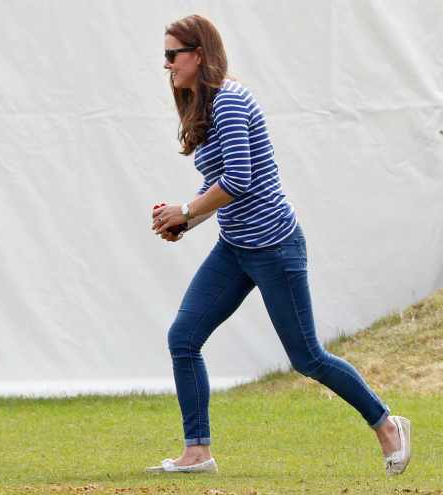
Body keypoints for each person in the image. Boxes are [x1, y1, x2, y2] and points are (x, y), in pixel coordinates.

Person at [146, 14, 410, 476]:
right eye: (164, 55)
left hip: (274, 246)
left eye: (172, 54)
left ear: (198, 54)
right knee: (183, 338)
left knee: (306, 356)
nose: (166, 64)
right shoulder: (204, 105)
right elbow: (220, 187)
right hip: (235, 246)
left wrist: (185, 211)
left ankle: (387, 424)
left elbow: (240, 181)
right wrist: (186, 223)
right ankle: (197, 451)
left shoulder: (228, 100)